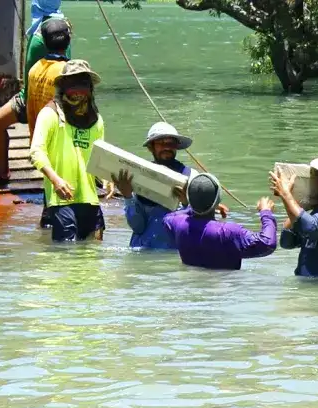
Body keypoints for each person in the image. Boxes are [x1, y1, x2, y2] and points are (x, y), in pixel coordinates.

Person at [0, 16, 72, 184]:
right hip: (35, 100)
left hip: (45, 104)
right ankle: (2, 168)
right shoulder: (62, 64)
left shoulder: (42, 63)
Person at [29, 60, 106, 242]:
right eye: (73, 85)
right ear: (63, 87)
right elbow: (36, 152)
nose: (78, 91)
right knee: (66, 251)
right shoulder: (50, 114)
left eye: (83, 85)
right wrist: (55, 180)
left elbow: (101, 155)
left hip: (90, 198)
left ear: (90, 89)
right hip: (61, 198)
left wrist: (108, 178)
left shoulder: (96, 120)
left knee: (94, 248)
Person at [163, 173, 278, 270]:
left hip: (191, 284)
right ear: (218, 198)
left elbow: (167, 218)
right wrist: (266, 212)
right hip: (223, 286)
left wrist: (191, 206)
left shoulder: (177, 223)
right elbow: (267, 243)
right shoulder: (229, 232)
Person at [112, 122, 198, 250]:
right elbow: (138, 227)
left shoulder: (191, 177)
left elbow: (196, 228)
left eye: (171, 144)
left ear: (176, 147)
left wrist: (186, 204)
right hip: (143, 250)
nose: (167, 147)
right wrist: (128, 196)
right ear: (151, 147)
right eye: (161, 143)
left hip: (173, 252)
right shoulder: (138, 175)